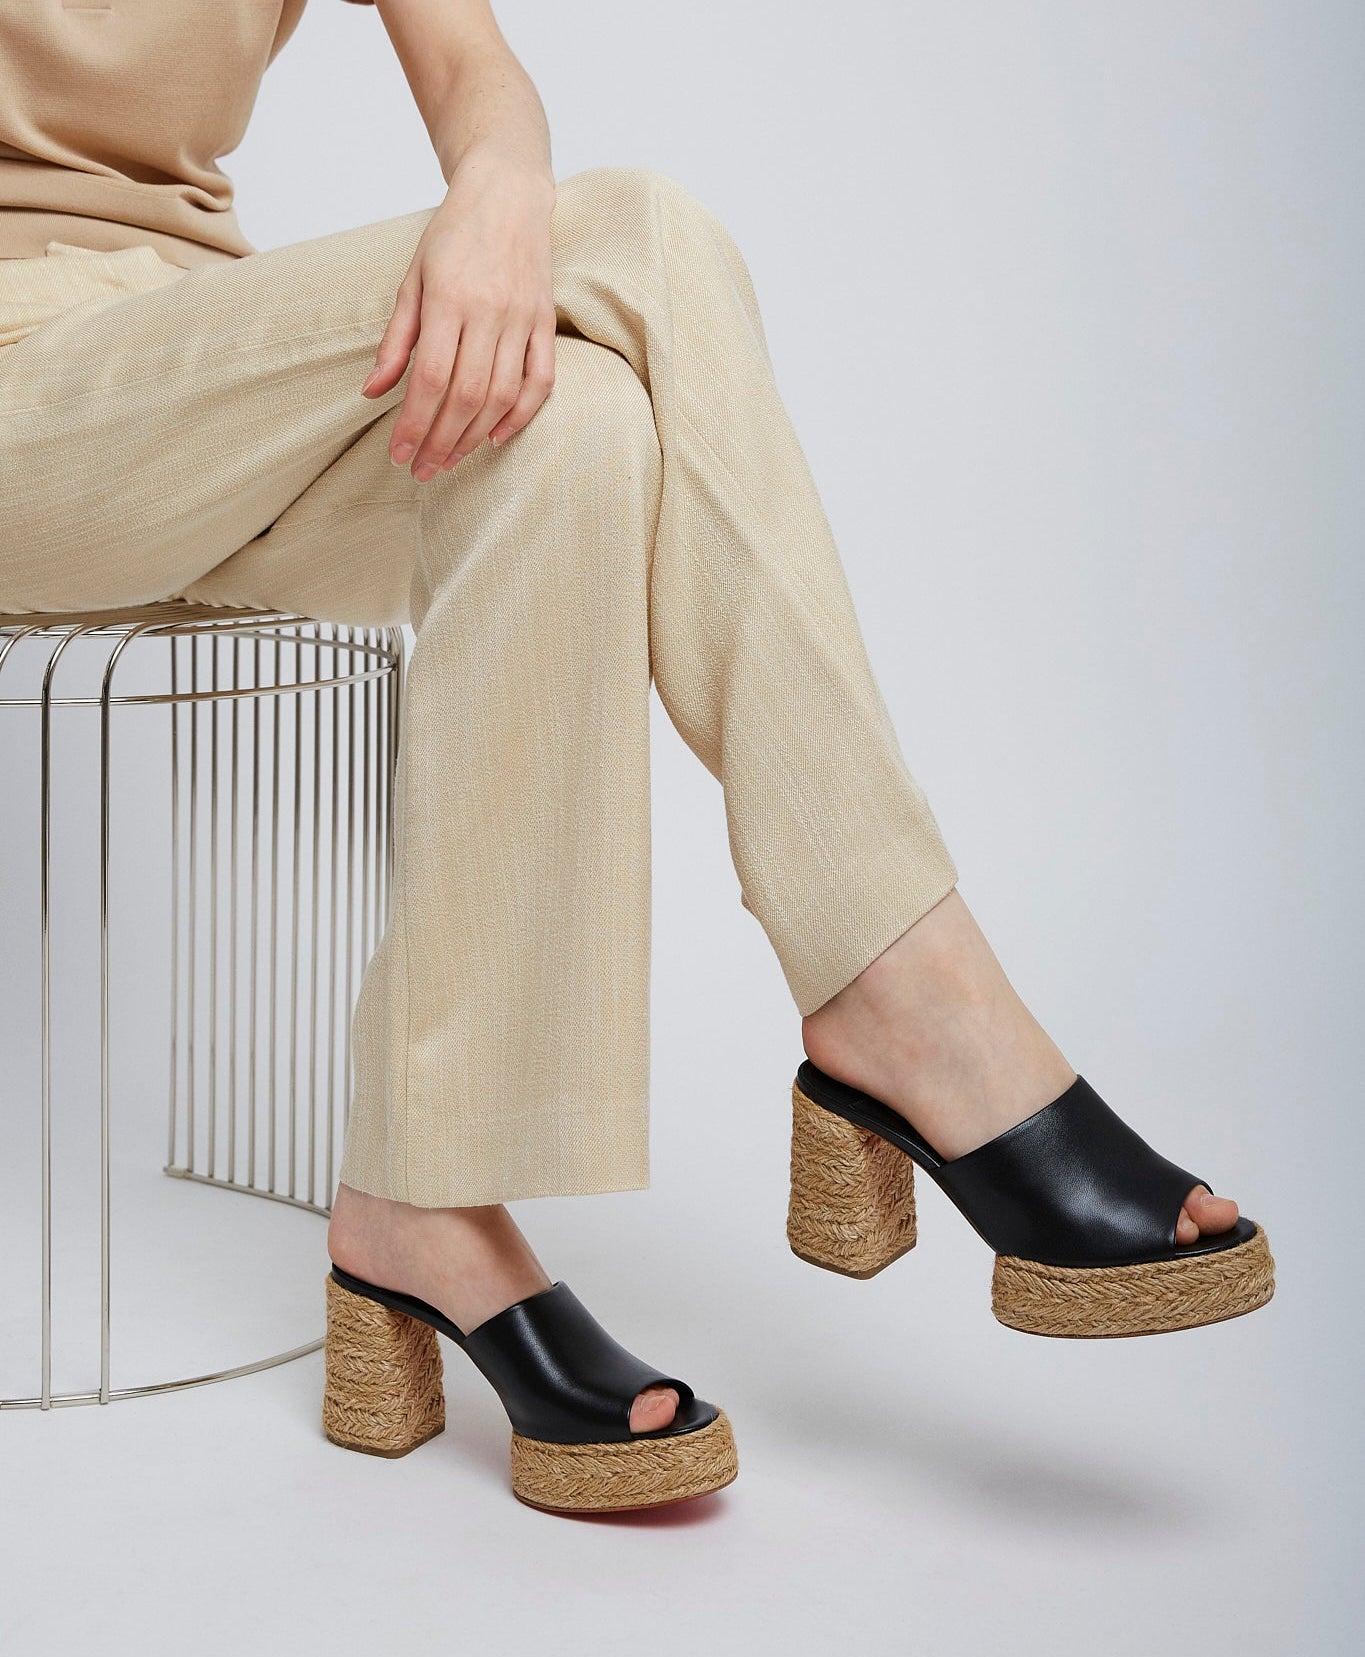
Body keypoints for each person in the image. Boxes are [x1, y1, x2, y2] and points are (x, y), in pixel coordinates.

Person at [0, 0, 1273, 1514]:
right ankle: (902, 992)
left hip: (199, 391)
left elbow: (475, 73)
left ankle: (423, 1199)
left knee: (571, 429)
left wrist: (498, 193)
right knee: (642, 236)